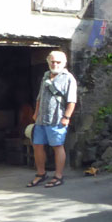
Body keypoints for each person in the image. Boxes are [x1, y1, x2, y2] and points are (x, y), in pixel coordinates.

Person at [27, 50, 77, 188]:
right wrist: (36, 113)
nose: (55, 64)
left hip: (57, 119)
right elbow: (39, 97)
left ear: (64, 63)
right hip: (41, 119)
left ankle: (58, 176)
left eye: (58, 62)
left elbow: (72, 101)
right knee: (37, 145)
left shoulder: (68, 78)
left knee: (57, 146)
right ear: (48, 61)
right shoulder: (45, 76)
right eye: (52, 61)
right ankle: (41, 174)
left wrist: (66, 117)